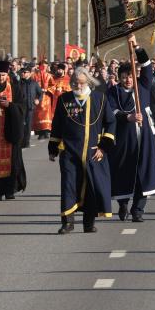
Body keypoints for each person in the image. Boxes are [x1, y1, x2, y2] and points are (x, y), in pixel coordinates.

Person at [50, 69, 115, 234]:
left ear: (89, 82)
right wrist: (53, 148)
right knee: (68, 186)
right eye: (75, 82)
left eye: (81, 82)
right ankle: (67, 222)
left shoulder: (100, 99)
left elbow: (110, 123)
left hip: (93, 152)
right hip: (69, 152)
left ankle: (89, 223)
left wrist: (103, 147)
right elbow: (57, 124)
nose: (78, 85)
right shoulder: (64, 99)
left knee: (91, 187)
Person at [106, 38, 155, 222]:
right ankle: (123, 204)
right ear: (119, 78)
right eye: (124, 77)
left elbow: (146, 65)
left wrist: (137, 47)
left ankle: (138, 210)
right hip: (124, 139)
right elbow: (111, 111)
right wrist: (128, 117)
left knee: (143, 172)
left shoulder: (143, 84)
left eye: (130, 76)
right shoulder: (113, 92)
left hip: (145, 137)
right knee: (123, 171)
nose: (128, 80)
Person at [0, 60, 27, 201]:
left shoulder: (15, 88)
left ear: (7, 74)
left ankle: (10, 190)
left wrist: (9, 105)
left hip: (10, 132)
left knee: (12, 161)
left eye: (3, 75)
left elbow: (23, 108)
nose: (0, 77)